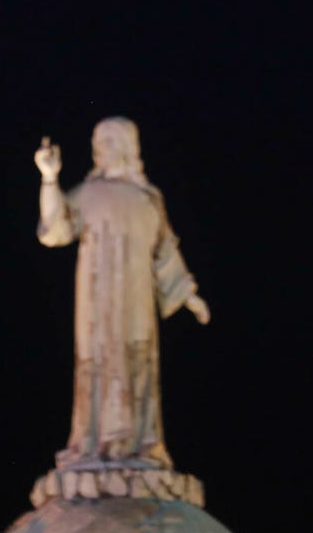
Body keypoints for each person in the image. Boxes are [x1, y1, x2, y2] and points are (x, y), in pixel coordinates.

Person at [35, 117, 210, 469]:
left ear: (130, 147)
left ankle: (139, 445)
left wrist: (188, 295)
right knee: (98, 362)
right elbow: (54, 230)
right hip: (97, 301)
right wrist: (50, 178)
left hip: (136, 301)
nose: (102, 148)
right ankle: (94, 444)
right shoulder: (87, 194)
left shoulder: (148, 199)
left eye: (111, 141)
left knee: (138, 360)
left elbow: (165, 251)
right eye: (98, 141)